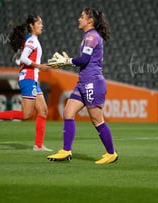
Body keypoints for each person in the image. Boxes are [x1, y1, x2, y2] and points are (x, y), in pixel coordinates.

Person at [46, 8, 118, 164]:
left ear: (90, 20)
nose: (79, 19)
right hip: (83, 82)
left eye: (82, 17)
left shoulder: (91, 36)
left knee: (97, 120)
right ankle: (66, 151)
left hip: (92, 82)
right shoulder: (88, 36)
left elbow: (84, 59)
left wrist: (66, 61)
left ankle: (111, 153)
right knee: (68, 113)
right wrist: (69, 61)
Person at [0, 14, 52, 152]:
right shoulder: (32, 41)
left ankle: (38, 145)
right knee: (26, 115)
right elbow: (24, 58)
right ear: (31, 26)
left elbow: (20, 59)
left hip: (32, 79)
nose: (42, 25)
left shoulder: (31, 40)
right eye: (39, 23)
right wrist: (39, 66)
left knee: (43, 111)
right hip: (28, 79)